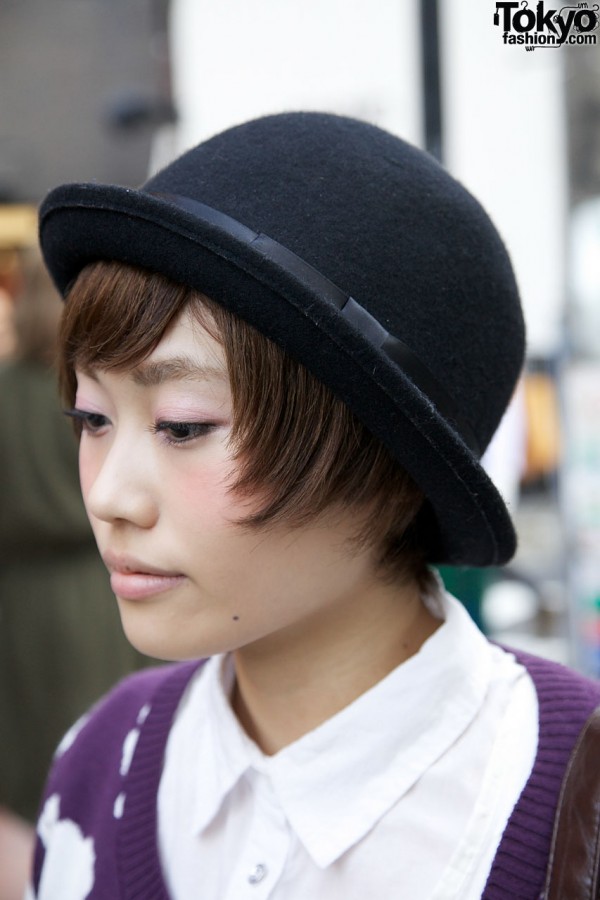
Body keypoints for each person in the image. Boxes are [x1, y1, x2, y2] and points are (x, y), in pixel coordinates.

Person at [29, 113, 600, 899]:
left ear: (389, 461)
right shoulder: (100, 761)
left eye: (184, 426)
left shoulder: (568, 793)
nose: (110, 494)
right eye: (92, 418)